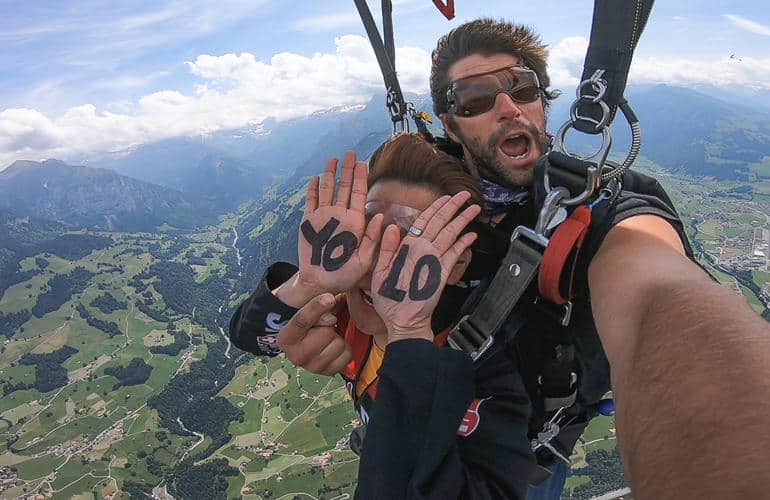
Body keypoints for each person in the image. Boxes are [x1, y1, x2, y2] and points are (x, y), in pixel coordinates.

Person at [264, 18, 770, 499]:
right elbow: (294, 306)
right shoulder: (419, 189)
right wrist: (306, 299)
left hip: (524, 450)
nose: (508, 108)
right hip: (409, 412)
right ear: (449, 122)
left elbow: (658, 299)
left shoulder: (601, 211)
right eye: (476, 98)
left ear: (544, 102)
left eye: (523, 89)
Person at [230, 133, 536, 497]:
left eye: (408, 246)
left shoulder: (485, 374)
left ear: (456, 268)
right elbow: (248, 337)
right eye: (365, 237)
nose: (378, 267)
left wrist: (408, 330)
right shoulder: (346, 308)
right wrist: (307, 284)